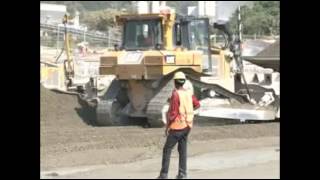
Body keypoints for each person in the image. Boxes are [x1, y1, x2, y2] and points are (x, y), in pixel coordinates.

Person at [157, 71, 200, 179]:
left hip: (177, 126)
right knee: (182, 150)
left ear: (175, 82)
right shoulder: (188, 93)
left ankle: (163, 175)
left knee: (167, 149)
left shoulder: (176, 94)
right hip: (187, 126)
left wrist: (167, 127)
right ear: (183, 82)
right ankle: (182, 174)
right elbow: (197, 104)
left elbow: (173, 113)